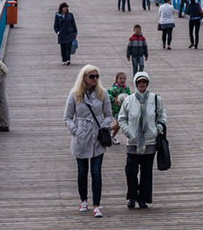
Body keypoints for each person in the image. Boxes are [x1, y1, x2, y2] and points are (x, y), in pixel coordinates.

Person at [63, 64, 116, 218]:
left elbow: (108, 114)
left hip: (97, 137)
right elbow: (67, 116)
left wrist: (103, 127)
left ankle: (97, 205)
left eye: (96, 76)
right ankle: (83, 200)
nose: (95, 79)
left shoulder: (103, 93)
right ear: (84, 77)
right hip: (81, 136)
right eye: (91, 76)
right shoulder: (75, 94)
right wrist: (75, 130)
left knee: (96, 171)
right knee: (82, 172)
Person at [117, 71, 167, 210]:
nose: (142, 84)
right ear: (135, 83)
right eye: (139, 82)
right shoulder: (129, 100)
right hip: (133, 142)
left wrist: (157, 129)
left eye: (144, 82)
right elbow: (122, 118)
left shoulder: (156, 99)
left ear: (148, 83)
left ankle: (143, 198)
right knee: (130, 171)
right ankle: (132, 196)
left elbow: (162, 115)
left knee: (146, 172)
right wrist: (128, 132)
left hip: (149, 142)